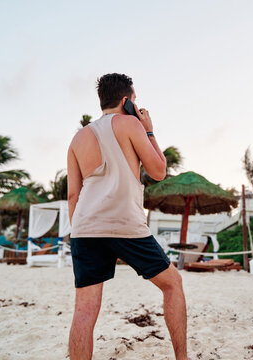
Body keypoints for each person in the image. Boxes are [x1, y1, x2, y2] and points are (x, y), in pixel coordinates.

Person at [67, 73, 191, 360]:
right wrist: (149, 130)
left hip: (85, 228)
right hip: (125, 224)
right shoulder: (131, 124)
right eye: (135, 100)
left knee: (84, 310)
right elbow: (159, 171)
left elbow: (73, 196)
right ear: (126, 101)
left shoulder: (78, 138)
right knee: (172, 285)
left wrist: (81, 233)